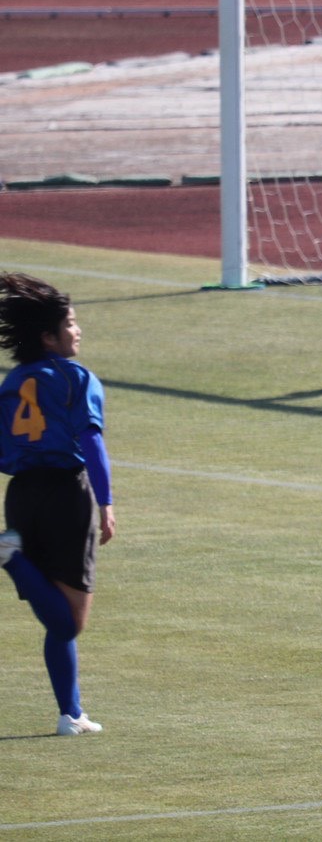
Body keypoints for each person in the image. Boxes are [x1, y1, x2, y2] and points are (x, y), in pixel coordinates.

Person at [0, 273, 116, 737]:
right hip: (67, 493)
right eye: (70, 323)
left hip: (22, 496)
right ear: (49, 336)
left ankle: (70, 714)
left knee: (56, 615)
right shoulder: (76, 377)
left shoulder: (14, 382)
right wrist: (106, 501)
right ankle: (9, 556)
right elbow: (91, 443)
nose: (78, 330)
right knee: (70, 620)